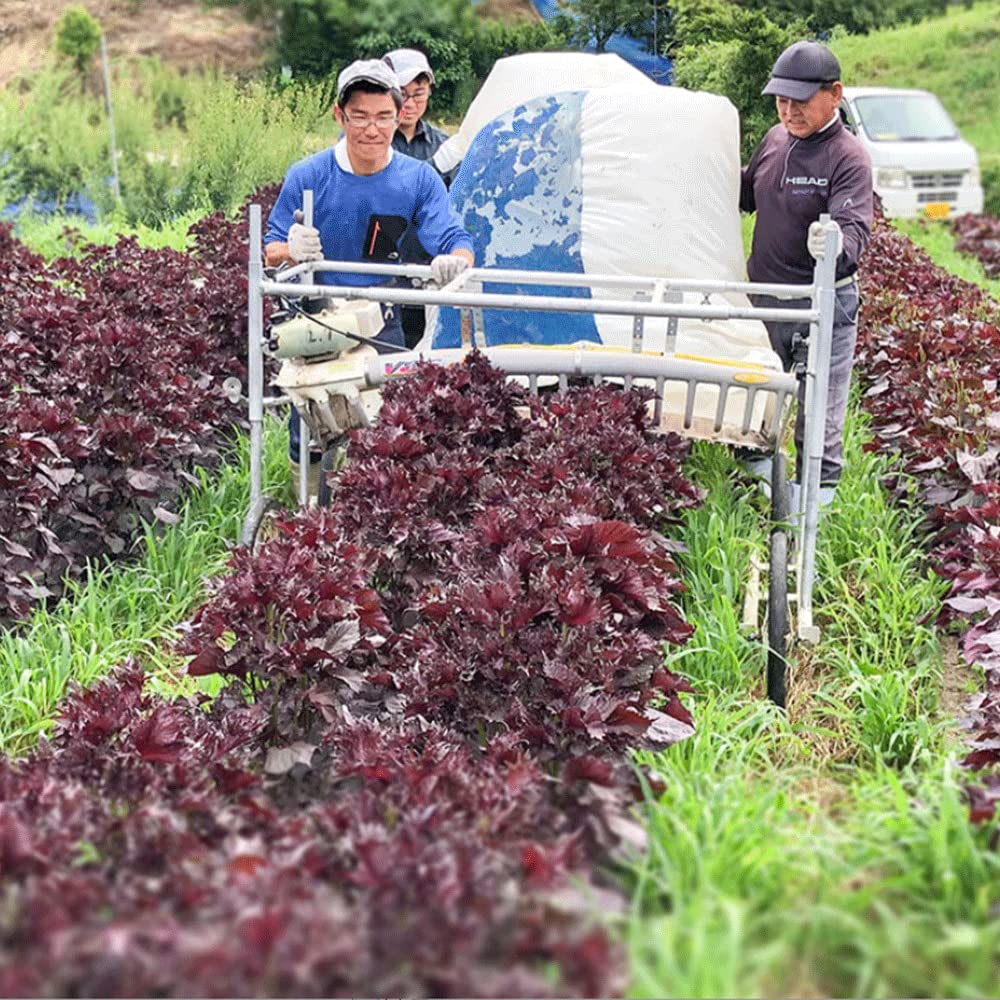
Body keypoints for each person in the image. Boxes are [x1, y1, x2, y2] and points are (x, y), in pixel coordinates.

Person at [264, 58, 474, 472]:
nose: (372, 129)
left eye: (383, 117)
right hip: (317, 322)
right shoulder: (309, 175)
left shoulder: (416, 180)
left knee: (382, 430)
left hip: (381, 318)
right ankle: (306, 511)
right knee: (310, 426)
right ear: (339, 115)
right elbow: (270, 247)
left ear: (399, 117)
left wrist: (455, 261)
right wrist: (290, 247)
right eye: (359, 116)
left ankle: (367, 508)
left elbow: (454, 239)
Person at [740, 40, 873, 508]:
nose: (787, 110)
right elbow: (746, 195)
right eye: (781, 98)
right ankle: (756, 481)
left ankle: (817, 496)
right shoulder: (775, 140)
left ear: (834, 94)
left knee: (819, 401)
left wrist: (833, 243)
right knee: (757, 387)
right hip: (764, 297)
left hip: (822, 302)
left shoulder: (847, 156)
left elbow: (855, 231)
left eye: (799, 100)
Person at [381, 47, 458, 348]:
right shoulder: (368, 140)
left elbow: (456, 206)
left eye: (419, 94)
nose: (410, 104)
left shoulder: (444, 145)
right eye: (402, 94)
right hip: (379, 278)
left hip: (431, 279)